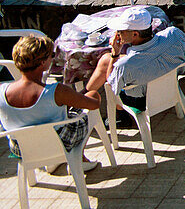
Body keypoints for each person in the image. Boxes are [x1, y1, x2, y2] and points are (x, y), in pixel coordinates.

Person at [0, 35, 107, 171]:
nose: (53, 58)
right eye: (51, 55)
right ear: (42, 63)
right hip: (58, 145)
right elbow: (93, 105)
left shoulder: (1, 90)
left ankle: (52, 163)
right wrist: (92, 95)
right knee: (90, 99)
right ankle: (78, 159)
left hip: (21, 149)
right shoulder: (57, 91)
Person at [94, 6, 185, 110]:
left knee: (109, 62)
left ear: (135, 34)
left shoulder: (125, 65)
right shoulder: (174, 34)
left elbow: (112, 87)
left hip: (142, 101)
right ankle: (85, 93)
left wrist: (115, 54)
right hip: (171, 88)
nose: (117, 34)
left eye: (121, 31)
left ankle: (118, 115)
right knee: (107, 60)